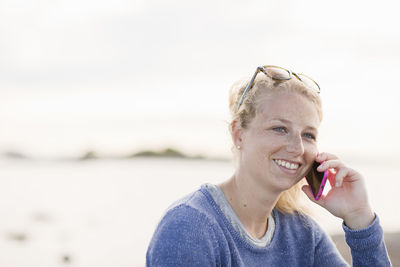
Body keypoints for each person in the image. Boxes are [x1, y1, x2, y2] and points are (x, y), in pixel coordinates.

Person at [146, 65, 392, 266]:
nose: (297, 147)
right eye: (279, 129)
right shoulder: (190, 228)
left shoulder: (303, 234)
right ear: (238, 134)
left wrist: (360, 217)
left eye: (308, 135)